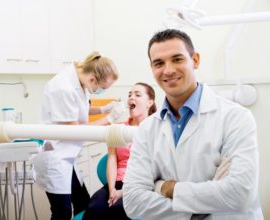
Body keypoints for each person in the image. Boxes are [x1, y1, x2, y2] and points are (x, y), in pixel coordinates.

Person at [122, 29, 263, 219]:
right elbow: (133, 202)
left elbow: (240, 193)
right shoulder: (147, 130)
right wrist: (205, 204)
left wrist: (165, 187)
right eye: (159, 63)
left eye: (177, 59)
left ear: (195, 60)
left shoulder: (236, 118)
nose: (168, 70)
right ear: (152, 68)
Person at [32, 51, 126, 220]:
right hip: (56, 155)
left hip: (68, 156)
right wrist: (109, 118)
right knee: (62, 212)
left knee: (83, 203)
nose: (101, 92)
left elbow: (79, 108)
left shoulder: (80, 79)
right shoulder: (63, 87)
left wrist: (103, 109)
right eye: (103, 88)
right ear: (93, 79)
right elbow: (77, 129)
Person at [82, 82, 157, 220]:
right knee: (94, 208)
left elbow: (157, 168)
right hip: (117, 183)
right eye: (129, 95)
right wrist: (112, 190)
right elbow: (112, 159)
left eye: (137, 94)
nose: (131, 97)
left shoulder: (156, 130)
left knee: (116, 210)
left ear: (150, 102)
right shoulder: (118, 128)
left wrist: (123, 192)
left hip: (142, 185)